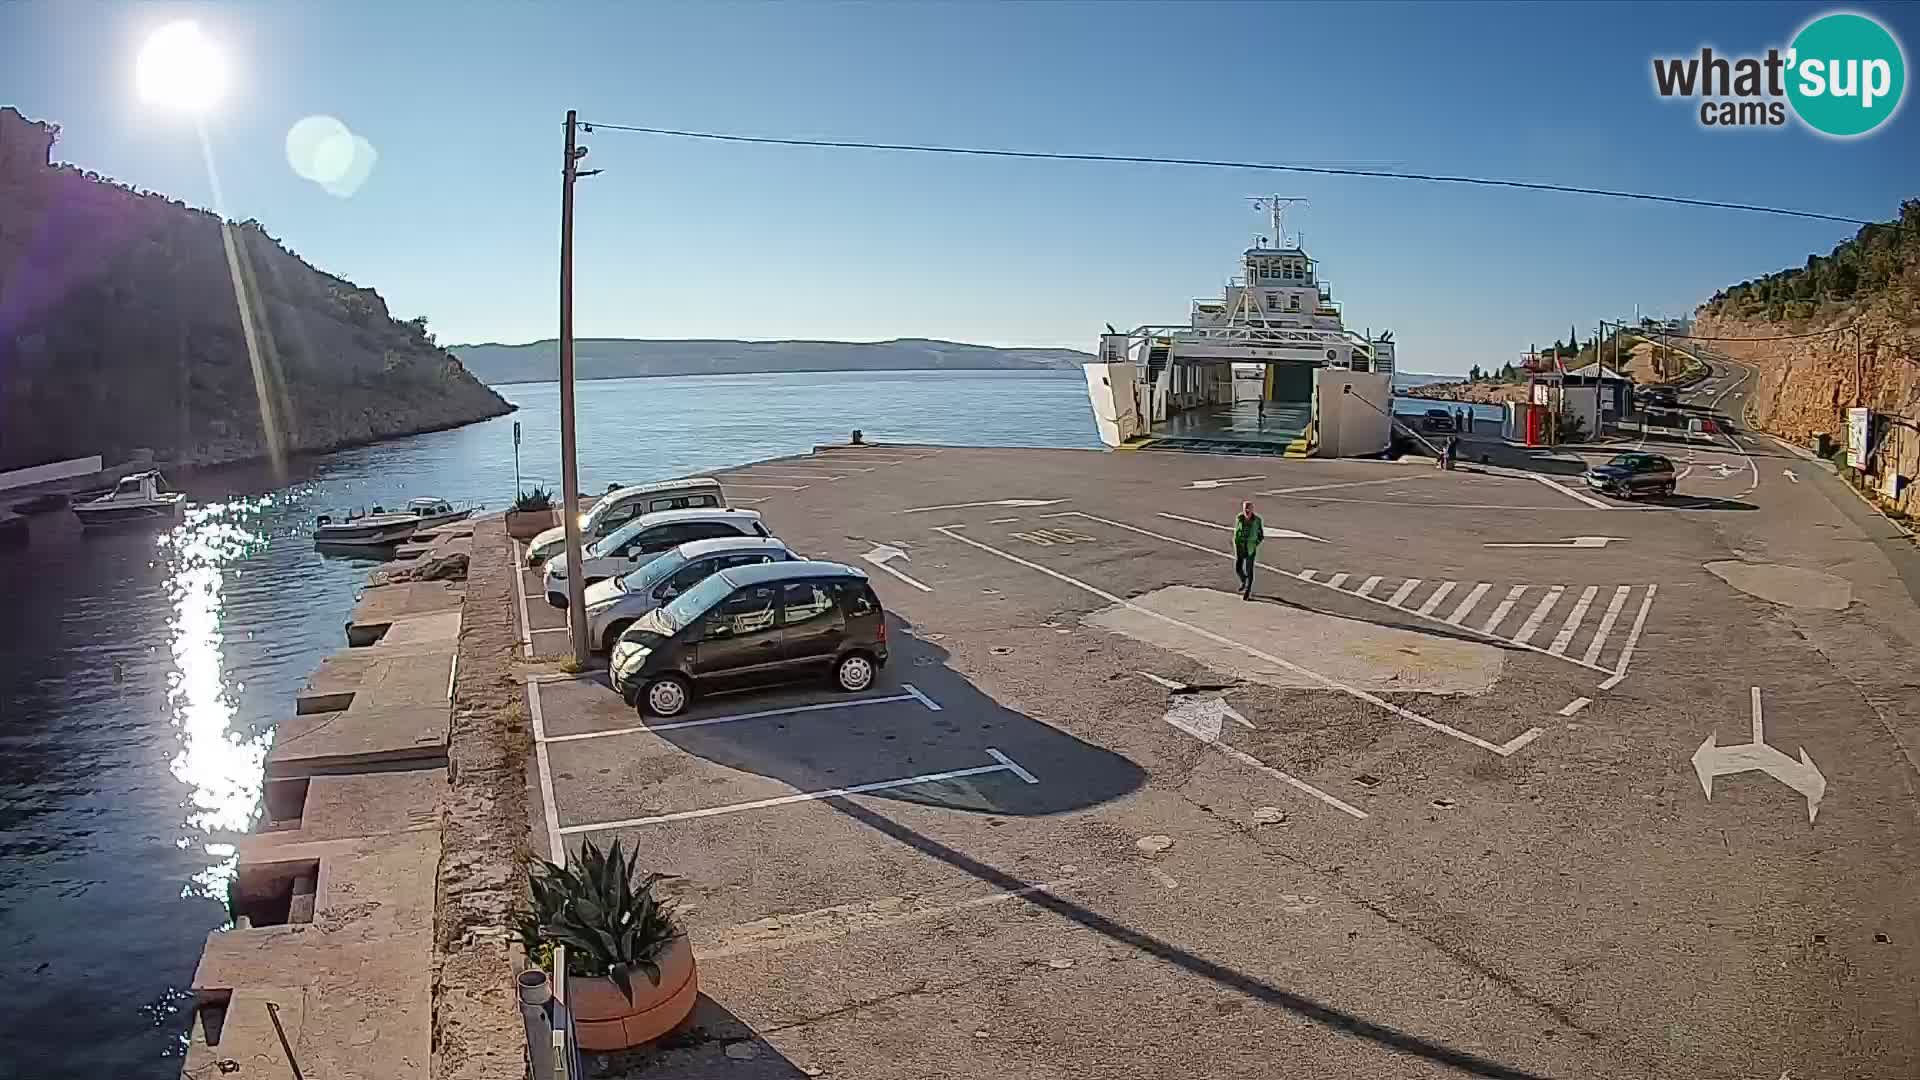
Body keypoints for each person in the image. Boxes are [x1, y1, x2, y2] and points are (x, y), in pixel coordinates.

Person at [1232, 501, 1264, 600]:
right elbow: (1237, 531)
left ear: (1252, 509)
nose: (1247, 510)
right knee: (1238, 568)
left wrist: (1255, 544)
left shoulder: (1257, 520)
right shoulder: (1239, 518)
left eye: (1248, 508)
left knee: (1249, 570)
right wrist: (1236, 542)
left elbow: (1261, 535)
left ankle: (1248, 591)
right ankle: (1243, 580)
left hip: (1250, 548)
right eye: (1245, 508)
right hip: (1240, 547)